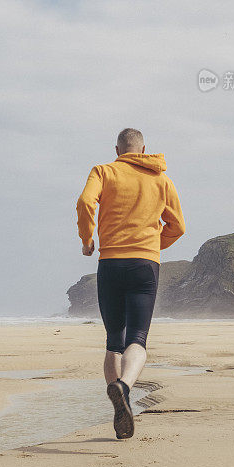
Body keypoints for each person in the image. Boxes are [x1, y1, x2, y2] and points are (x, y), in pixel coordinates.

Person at [76, 128, 185, 439]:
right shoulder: (161, 179)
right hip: (144, 265)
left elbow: (85, 202)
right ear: (143, 149)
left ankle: (117, 402)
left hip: (110, 262)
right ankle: (124, 387)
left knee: (114, 338)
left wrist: (87, 240)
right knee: (137, 337)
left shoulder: (104, 171)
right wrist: (152, 245)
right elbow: (178, 225)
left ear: (117, 149)